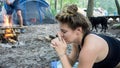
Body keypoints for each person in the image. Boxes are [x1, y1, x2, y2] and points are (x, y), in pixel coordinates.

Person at [51, 4, 120, 68]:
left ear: (78, 30)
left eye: (64, 31)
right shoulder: (77, 41)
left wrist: (62, 54)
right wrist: (62, 52)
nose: (59, 34)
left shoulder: (90, 48)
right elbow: (71, 62)